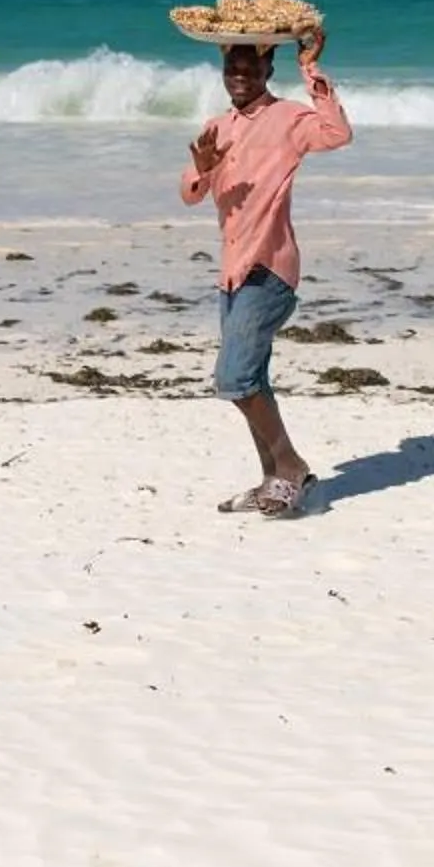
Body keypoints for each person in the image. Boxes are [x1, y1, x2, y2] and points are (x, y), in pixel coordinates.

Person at [182, 30, 352, 517]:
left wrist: (312, 70)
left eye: (250, 69)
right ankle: (272, 480)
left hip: (270, 268)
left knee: (233, 378)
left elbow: (338, 134)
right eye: (232, 69)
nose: (240, 77)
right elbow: (190, 194)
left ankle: (292, 468)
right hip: (232, 271)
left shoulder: (289, 119)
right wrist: (203, 169)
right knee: (252, 378)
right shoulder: (217, 127)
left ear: (267, 72)